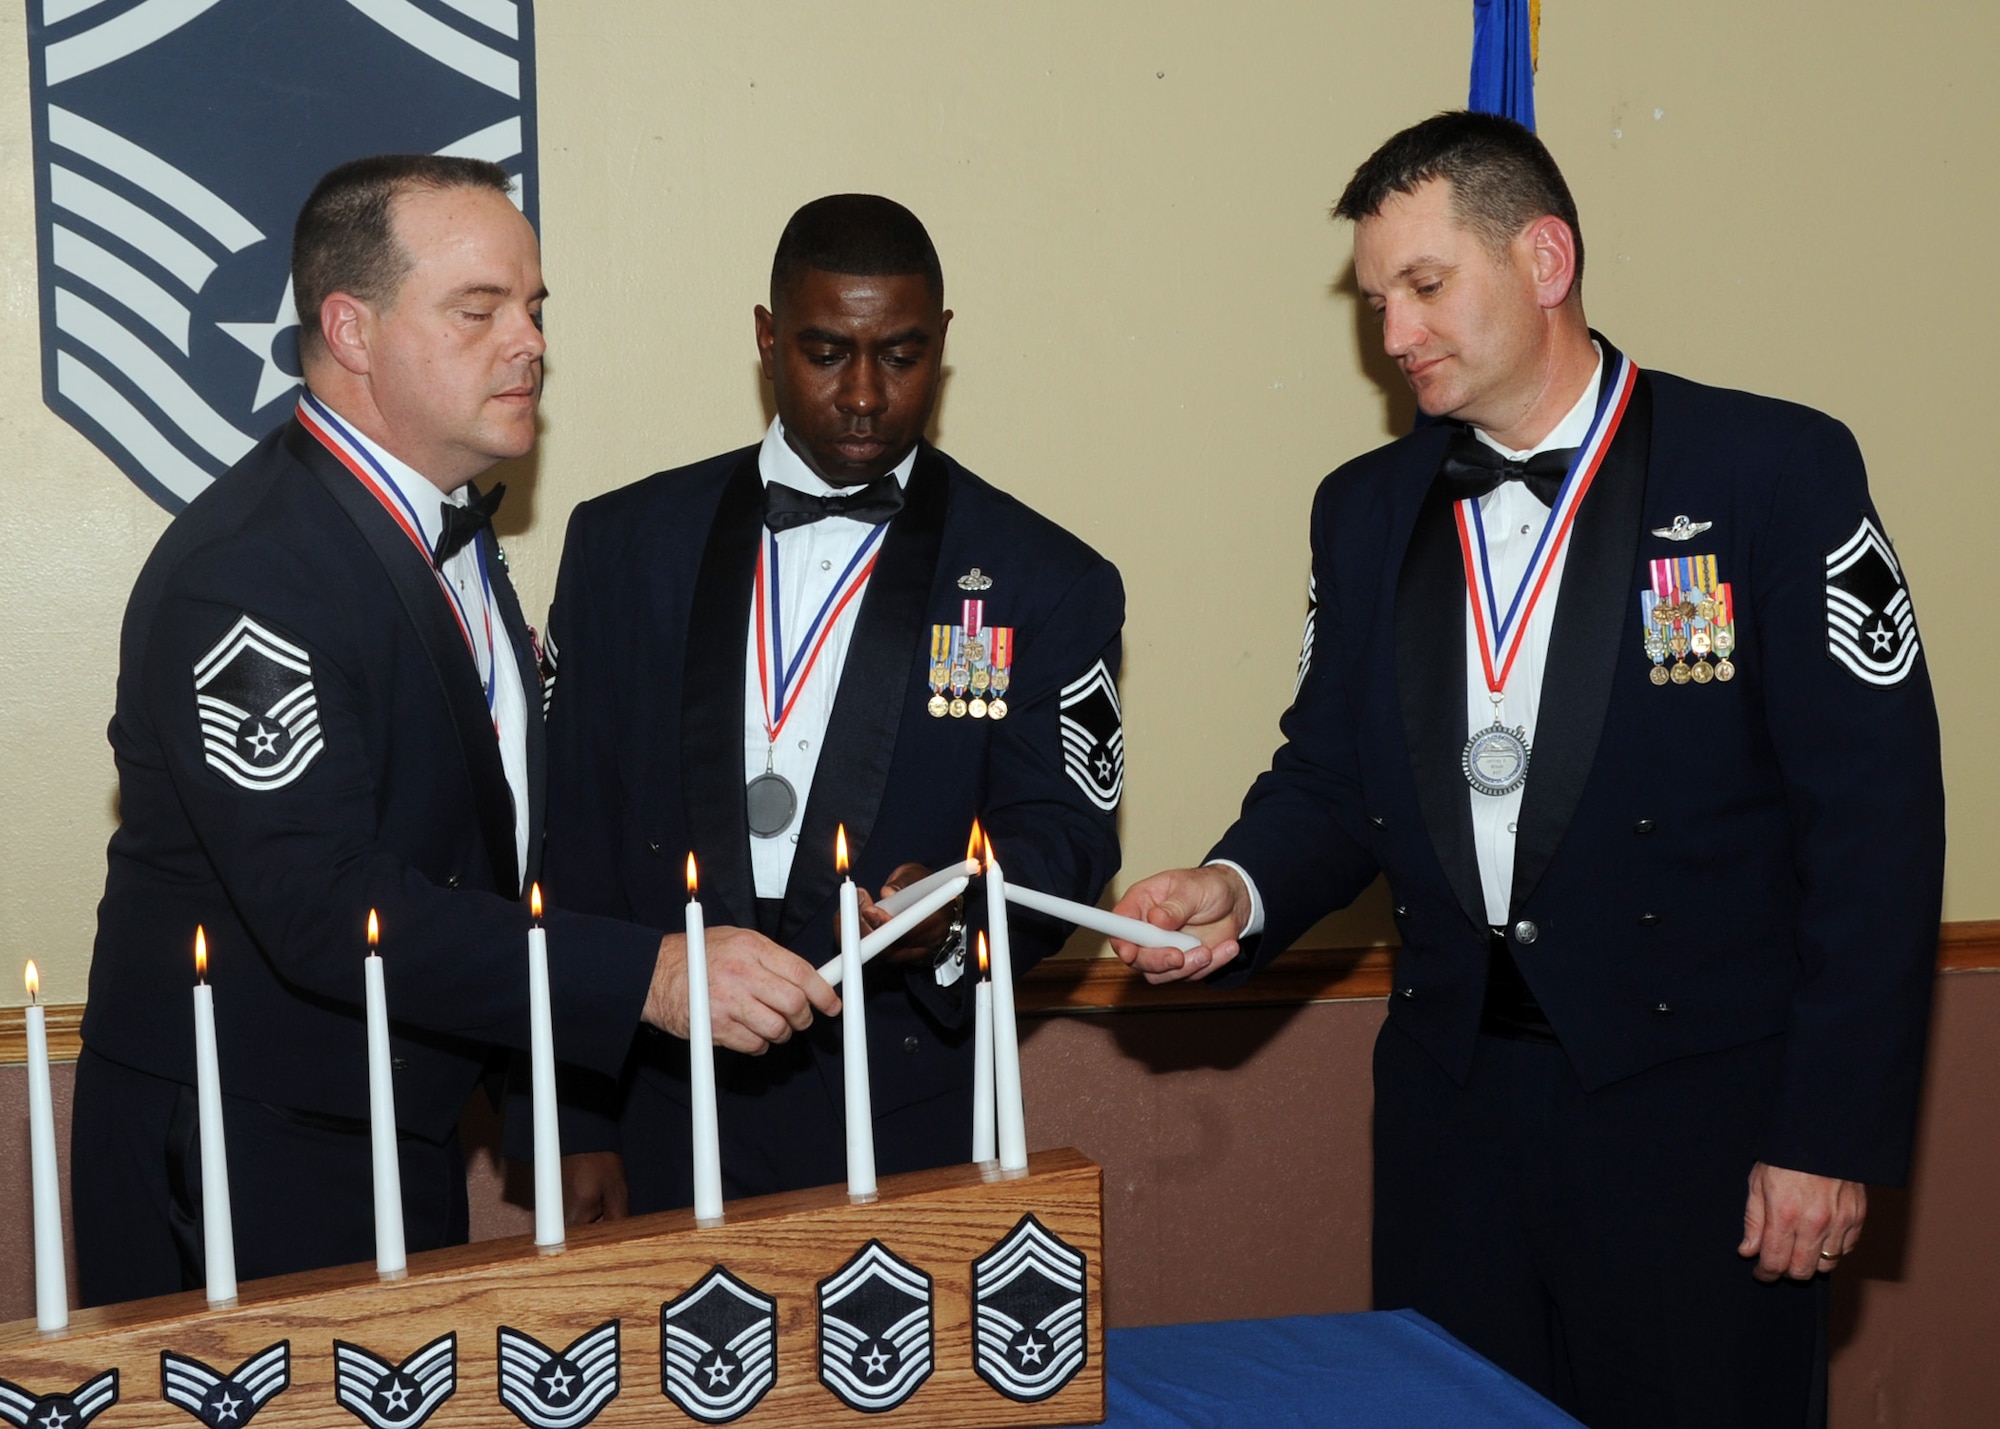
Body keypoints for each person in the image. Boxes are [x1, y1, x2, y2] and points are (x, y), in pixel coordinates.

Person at [1110, 112, 1943, 1427]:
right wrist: (1241, 887)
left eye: (1426, 286)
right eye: (1379, 300)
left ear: (1546, 259)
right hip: (1454, 1118)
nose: (1393, 335)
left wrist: (1824, 1135)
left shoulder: (1771, 472)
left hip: (1701, 1125)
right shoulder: (1365, 506)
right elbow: (1331, 776)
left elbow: (1876, 831)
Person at [72, 154, 835, 1306]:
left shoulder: (451, 528)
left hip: (389, 1125)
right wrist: (647, 973)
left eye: (532, 309)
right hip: (248, 1146)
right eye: (477, 310)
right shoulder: (251, 573)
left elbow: (498, 836)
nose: (527, 342)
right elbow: (324, 904)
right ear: (351, 329)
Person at [534, 194, 1125, 1217]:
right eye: (824, 351)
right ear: (766, 339)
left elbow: (1067, 841)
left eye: (898, 356)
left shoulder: (1042, 576)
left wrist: (947, 914)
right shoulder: (623, 544)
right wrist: (577, 1118)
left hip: (908, 1115)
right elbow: (571, 837)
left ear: (940, 344)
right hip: (662, 1103)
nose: (862, 394)